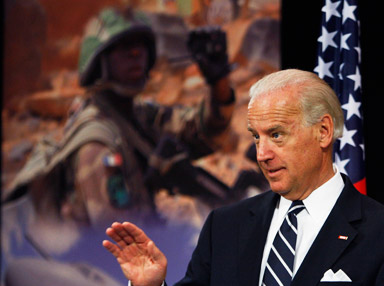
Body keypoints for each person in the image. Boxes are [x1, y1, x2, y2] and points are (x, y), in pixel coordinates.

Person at [103, 69, 384, 286]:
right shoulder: (225, 227)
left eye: (276, 135)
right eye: (256, 137)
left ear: (323, 131)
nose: (262, 154)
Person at [3, 6, 237, 227]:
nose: (135, 53)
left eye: (140, 46)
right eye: (123, 47)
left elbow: (204, 133)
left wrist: (218, 82)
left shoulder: (135, 116)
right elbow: (116, 244)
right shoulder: (97, 142)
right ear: (98, 61)